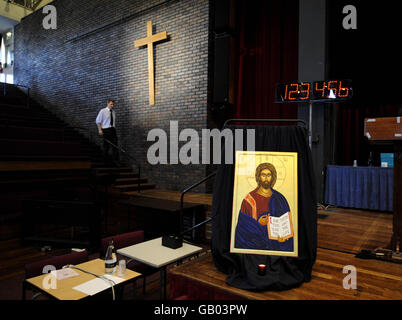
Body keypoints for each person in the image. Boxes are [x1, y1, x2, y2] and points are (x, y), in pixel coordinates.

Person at [234, 162, 294, 252]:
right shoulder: (249, 200)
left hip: (276, 243)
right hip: (254, 245)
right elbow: (242, 228)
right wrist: (259, 224)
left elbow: (285, 224)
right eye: (263, 175)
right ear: (258, 177)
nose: (266, 178)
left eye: (269, 175)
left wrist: (284, 237)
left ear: (273, 177)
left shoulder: (280, 199)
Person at [95, 99, 120, 167]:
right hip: (106, 130)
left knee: (115, 145)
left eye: (113, 104)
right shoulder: (103, 111)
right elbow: (98, 121)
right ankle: (104, 162)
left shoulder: (113, 112)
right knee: (106, 146)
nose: (112, 105)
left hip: (113, 129)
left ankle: (115, 161)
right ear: (107, 104)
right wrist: (100, 130)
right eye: (111, 104)